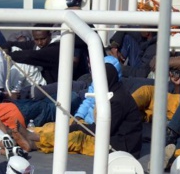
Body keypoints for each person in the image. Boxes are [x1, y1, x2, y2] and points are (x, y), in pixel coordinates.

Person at [14, 62, 144, 158]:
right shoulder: (114, 91)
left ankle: (36, 141)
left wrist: (79, 127)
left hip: (121, 147)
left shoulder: (117, 100)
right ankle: (32, 133)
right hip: (112, 138)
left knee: (77, 137)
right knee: (66, 125)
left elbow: (103, 131)